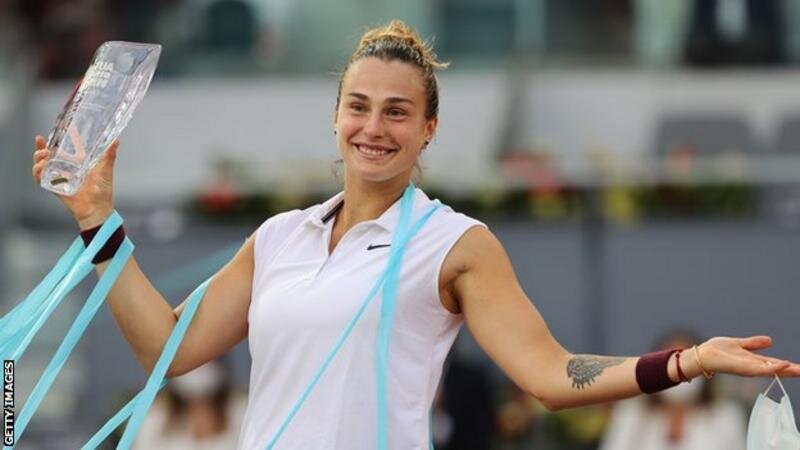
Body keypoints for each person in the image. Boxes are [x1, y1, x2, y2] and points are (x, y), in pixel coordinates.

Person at [30, 20, 800, 449]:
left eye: (397, 111)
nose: (374, 127)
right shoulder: (279, 237)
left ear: (429, 128)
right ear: (335, 116)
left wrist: (688, 362)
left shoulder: (455, 244)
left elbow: (550, 374)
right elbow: (163, 349)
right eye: (358, 106)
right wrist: (97, 221)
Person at [599, 330, 747, 450]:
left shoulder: (726, 415)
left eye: (688, 366)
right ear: (654, 371)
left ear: (705, 371)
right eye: (673, 365)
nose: (680, 375)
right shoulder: (632, 414)